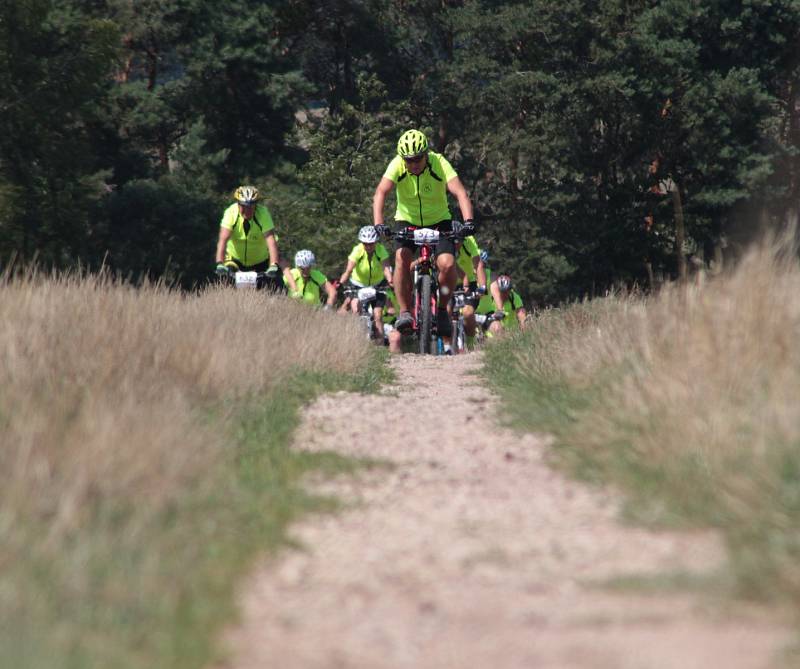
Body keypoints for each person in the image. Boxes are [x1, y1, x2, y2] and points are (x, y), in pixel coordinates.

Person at [372, 129, 475, 352]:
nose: (414, 164)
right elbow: (381, 192)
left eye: (418, 158)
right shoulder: (397, 165)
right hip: (407, 220)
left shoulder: (439, 163)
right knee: (401, 257)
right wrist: (379, 223)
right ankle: (405, 312)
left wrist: (468, 222)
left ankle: (441, 309)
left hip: (439, 220)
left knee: (447, 264)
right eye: (409, 160)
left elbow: (460, 192)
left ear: (426, 154)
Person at [214, 185, 295, 290]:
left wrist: (273, 264)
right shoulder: (230, 213)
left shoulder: (263, 213)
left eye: (251, 206)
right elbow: (223, 240)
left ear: (256, 205)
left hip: (260, 261)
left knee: (278, 287)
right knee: (225, 283)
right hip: (235, 259)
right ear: (238, 204)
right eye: (244, 206)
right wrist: (220, 263)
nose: (248, 210)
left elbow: (271, 241)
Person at [338, 226, 394, 338]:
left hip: (377, 284)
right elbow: (349, 270)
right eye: (365, 244)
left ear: (375, 242)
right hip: (358, 284)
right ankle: (355, 339)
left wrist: (390, 280)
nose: (368, 246)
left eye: (371, 243)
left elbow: (386, 267)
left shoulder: (380, 249)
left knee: (378, 315)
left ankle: (380, 345)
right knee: (355, 308)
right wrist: (340, 283)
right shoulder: (357, 250)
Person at [454, 235, 487, 350]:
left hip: (470, 285)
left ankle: (470, 344)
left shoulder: (469, 241)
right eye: (455, 241)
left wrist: (482, 287)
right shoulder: (445, 244)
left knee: (468, 313)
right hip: (449, 283)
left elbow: (478, 265)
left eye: (460, 241)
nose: (457, 244)